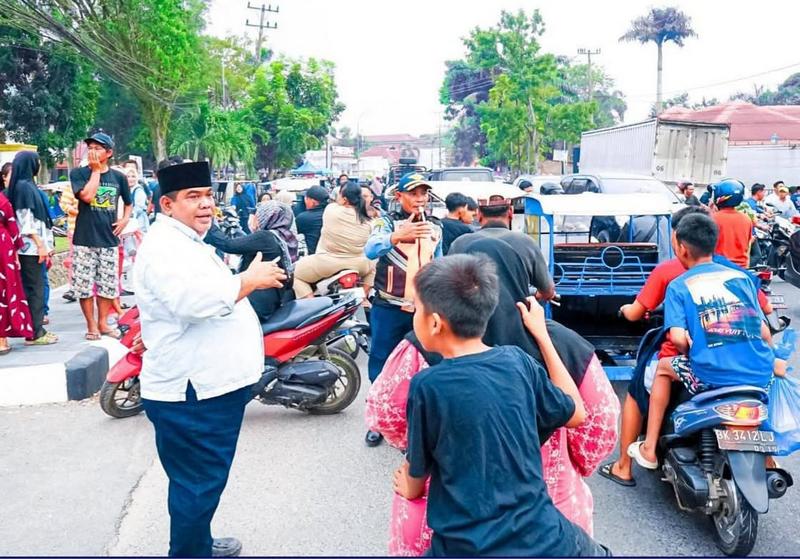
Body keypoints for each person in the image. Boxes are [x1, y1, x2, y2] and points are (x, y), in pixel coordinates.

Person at [393, 255, 610, 557]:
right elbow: (576, 412)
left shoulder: (428, 386)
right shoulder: (517, 361)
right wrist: (542, 336)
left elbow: (417, 476)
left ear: (434, 323)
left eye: (416, 310)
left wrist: (410, 487)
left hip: (465, 548)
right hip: (546, 540)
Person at [134, 161, 287, 558]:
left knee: (198, 483)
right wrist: (250, 280)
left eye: (207, 196)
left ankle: (196, 541)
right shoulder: (167, 247)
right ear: (167, 204)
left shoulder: (187, 241)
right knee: (197, 484)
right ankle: (190, 550)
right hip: (194, 393)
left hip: (205, 386)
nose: (205, 205)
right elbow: (193, 302)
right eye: (192, 197)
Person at [627, 213, 779, 470]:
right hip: (759, 373)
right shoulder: (741, 279)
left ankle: (650, 448)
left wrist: (692, 347)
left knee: (663, 368)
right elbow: (764, 333)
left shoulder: (679, 284)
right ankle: (769, 459)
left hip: (709, 375)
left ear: (682, 248)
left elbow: (677, 339)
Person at [363, 172, 442, 447]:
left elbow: (439, 263)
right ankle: (378, 422)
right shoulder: (385, 223)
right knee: (381, 361)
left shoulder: (436, 227)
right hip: (389, 306)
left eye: (423, 193)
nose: (419, 199)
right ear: (399, 197)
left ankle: (420, 420)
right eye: (413, 193)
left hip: (424, 309)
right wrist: (397, 236)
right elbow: (370, 250)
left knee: (428, 361)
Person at [69, 132, 132, 341]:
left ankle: (103, 321)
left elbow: (128, 201)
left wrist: (124, 219)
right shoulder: (78, 174)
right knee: (84, 286)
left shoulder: (119, 177)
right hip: (84, 238)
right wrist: (95, 171)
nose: (93, 151)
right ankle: (91, 324)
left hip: (108, 238)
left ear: (109, 152)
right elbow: (86, 196)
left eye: (98, 148)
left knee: (107, 284)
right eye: (91, 147)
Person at [450, 195, 555, 300]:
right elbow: (548, 291)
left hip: (471, 314)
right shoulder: (526, 243)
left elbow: (447, 287)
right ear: (510, 212)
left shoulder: (460, 243)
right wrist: (533, 297)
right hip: (515, 314)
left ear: (479, 215)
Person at [7, 151, 57, 346]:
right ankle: (35, 332)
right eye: (36, 161)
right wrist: (40, 244)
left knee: (32, 288)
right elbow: (26, 222)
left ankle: (34, 329)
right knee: (35, 289)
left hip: (32, 247)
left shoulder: (23, 185)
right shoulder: (25, 187)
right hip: (30, 249)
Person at [293, 183, 375, 299]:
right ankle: (362, 298)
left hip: (328, 263)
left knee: (296, 275)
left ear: (344, 199)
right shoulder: (368, 220)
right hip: (359, 264)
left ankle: (312, 305)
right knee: (372, 270)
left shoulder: (331, 210)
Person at [0, 162, 35, 353]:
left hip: (2, 250)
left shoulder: (2, 201)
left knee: (3, 292)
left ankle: (2, 336)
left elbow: (12, 226)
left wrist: (15, 253)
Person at [710, 179, 752, 269]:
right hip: (742, 268)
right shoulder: (746, 219)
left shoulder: (712, 219)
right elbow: (748, 246)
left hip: (718, 268)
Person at [58, 180, 79, 302]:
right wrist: (78, 212)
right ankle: (73, 288)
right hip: (75, 228)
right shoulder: (72, 186)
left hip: (94, 229)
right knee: (74, 259)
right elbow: (64, 205)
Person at [295, 185, 329, 255]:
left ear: (313, 202)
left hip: (314, 257)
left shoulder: (304, 218)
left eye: (306, 198)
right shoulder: (333, 214)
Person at [126, 165, 150, 233]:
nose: (131, 179)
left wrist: (127, 216)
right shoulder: (126, 189)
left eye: (133, 176)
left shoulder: (138, 190)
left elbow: (139, 208)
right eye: (128, 176)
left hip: (138, 223)